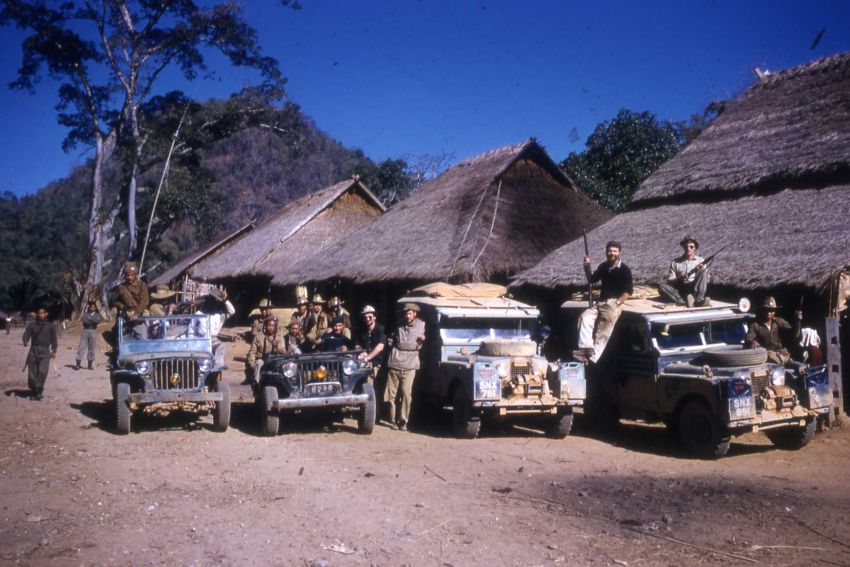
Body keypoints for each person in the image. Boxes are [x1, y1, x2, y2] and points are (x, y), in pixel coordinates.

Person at [576, 240, 634, 364]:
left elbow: (628, 291)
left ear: (619, 253)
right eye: (609, 251)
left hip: (613, 302)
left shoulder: (624, 269)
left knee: (604, 328)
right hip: (600, 302)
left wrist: (617, 303)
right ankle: (586, 347)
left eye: (614, 251)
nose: (611, 253)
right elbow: (592, 279)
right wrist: (586, 266)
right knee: (584, 317)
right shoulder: (603, 266)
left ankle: (593, 357)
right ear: (606, 252)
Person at [385, 303, 426, 431]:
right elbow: (390, 338)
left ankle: (403, 420)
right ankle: (393, 420)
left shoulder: (422, 325)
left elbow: (429, 340)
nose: (407, 316)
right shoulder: (398, 325)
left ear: (415, 313)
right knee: (391, 395)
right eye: (405, 313)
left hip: (411, 362)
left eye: (409, 313)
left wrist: (424, 339)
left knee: (406, 393)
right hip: (395, 361)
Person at [746, 297, 802, 366]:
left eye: (772, 310)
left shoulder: (779, 321)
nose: (769, 312)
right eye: (767, 310)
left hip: (784, 356)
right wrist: (752, 342)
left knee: (801, 367)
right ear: (762, 310)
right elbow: (748, 338)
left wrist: (797, 321)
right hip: (767, 358)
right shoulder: (755, 325)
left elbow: (794, 334)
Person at [659, 236, 710, 307]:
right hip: (681, 288)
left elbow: (706, 280)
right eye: (686, 246)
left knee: (703, 272)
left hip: (694, 288)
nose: (688, 249)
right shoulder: (675, 262)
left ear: (695, 248)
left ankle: (699, 300)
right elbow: (670, 281)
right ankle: (684, 301)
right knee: (662, 287)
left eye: (691, 247)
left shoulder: (701, 261)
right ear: (683, 247)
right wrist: (680, 278)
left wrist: (702, 270)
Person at [193, 288, 235, 369]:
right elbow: (191, 330)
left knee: (221, 346)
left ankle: (217, 367)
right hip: (200, 339)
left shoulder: (219, 316)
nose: (212, 303)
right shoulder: (198, 314)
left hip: (213, 341)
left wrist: (225, 300)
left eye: (215, 301)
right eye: (211, 300)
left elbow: (232, 311)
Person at [22, 307, 58, 400]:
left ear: (46, 314)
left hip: (45, 351)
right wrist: (25, 341)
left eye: (43, 313)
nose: (41, 315)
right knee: (32, 373)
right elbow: (26, 334)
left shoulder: (50, 326)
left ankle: (39, 390)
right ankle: (33, 391)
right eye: (39, 313)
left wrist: (54, 350)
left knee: (42, 371)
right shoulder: (32, 325)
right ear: (37, 314)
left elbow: (54, 340)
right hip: (33, 350)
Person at [246, 316, 285, 384]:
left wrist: (277, 347)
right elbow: (252, 352)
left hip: (275, 360)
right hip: (262, 359)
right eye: (269, 325)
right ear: (265, 326)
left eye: (273, 325)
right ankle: (257, 383)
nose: (271, 327)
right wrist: (252, 365)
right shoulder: (258, 337)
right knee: (258, 363)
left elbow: (283, 351)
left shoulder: (280, 337)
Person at [355, 305, 386, 382]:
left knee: (370, 384)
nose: (367, 319)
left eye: (370, 317)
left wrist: (367, 357)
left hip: (379, 364)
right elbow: (357, 344)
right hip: (364, 363)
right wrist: (361, 352)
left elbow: (380, 346)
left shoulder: (381, 329)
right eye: (365, 317)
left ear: (374, 317)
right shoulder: (362, 330)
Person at [76, 299, 101, 370]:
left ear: (95, 308)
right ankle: (78, 364)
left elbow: (98, 321)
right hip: (85, 330)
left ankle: (90, 365)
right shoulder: (85, 314)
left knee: (92, 348)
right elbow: (84, 320)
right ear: (89, 307)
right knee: (81, 347)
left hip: (93, 331)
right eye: (91, 307)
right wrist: (92, 320)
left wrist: (90, 319)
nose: (92, 308)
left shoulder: (97, 315)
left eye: (93, 307)